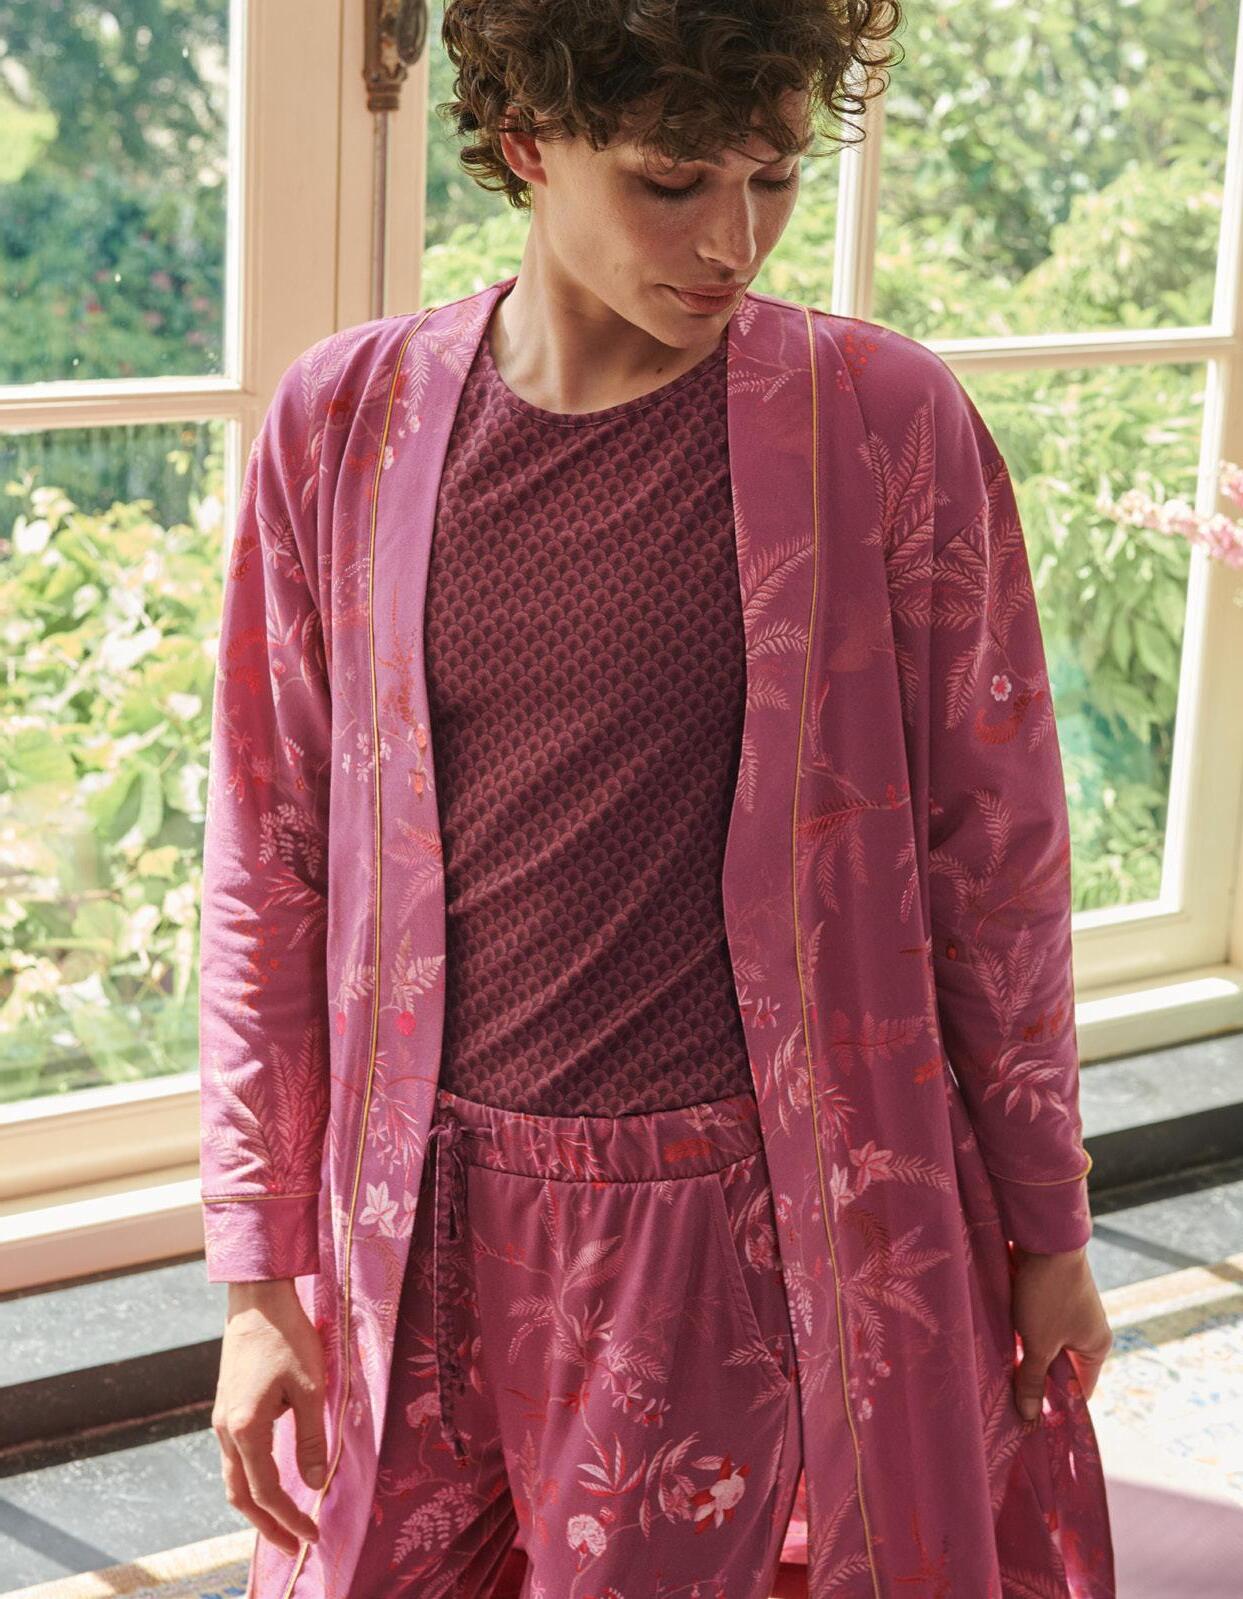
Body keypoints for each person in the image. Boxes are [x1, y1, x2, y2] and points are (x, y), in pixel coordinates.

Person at [202, 4, 1117, 1596]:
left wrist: (1051, 1231)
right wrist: (253, 1277)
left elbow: (999, 866)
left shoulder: (884, 427)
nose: (734, 242)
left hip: (728, 1236)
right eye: (673, 182)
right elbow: (267, 865)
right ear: (527, 147)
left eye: (774, 178)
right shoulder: (346, 424)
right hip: (405, 1222)